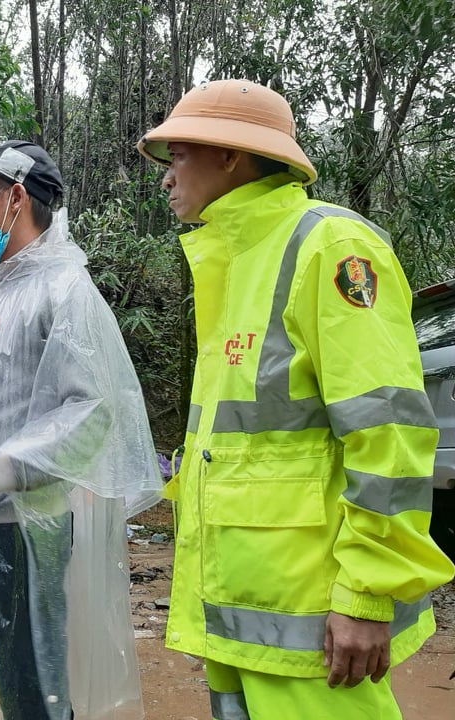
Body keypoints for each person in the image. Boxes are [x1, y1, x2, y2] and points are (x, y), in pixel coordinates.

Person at [136, 79, 455, 720]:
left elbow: (388, 431)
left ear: (230, 156)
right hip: (244, 605)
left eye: (178, 156)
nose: (166, 178)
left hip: (315, 613)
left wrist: (366, 592)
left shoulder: (329, 246)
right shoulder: (230, 259)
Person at [0, 140, 162, 720]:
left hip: (25, 529)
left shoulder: (66, 292)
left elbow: (90, 411)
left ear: (15, 198)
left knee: (30, 684)